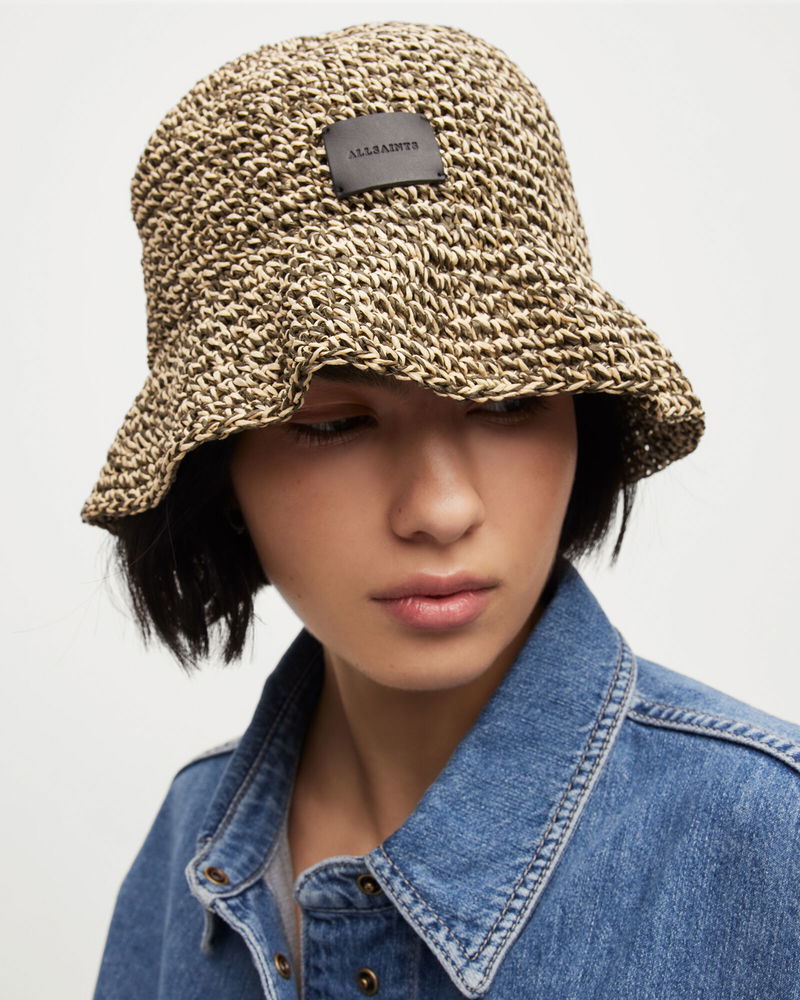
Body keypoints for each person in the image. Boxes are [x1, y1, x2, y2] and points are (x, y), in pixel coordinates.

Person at [83, 21, 800, 1000]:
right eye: (336, 424)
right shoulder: (187, 844)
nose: (442, 507)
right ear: (219, 470)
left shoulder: (769, 843)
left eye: (508, 403)